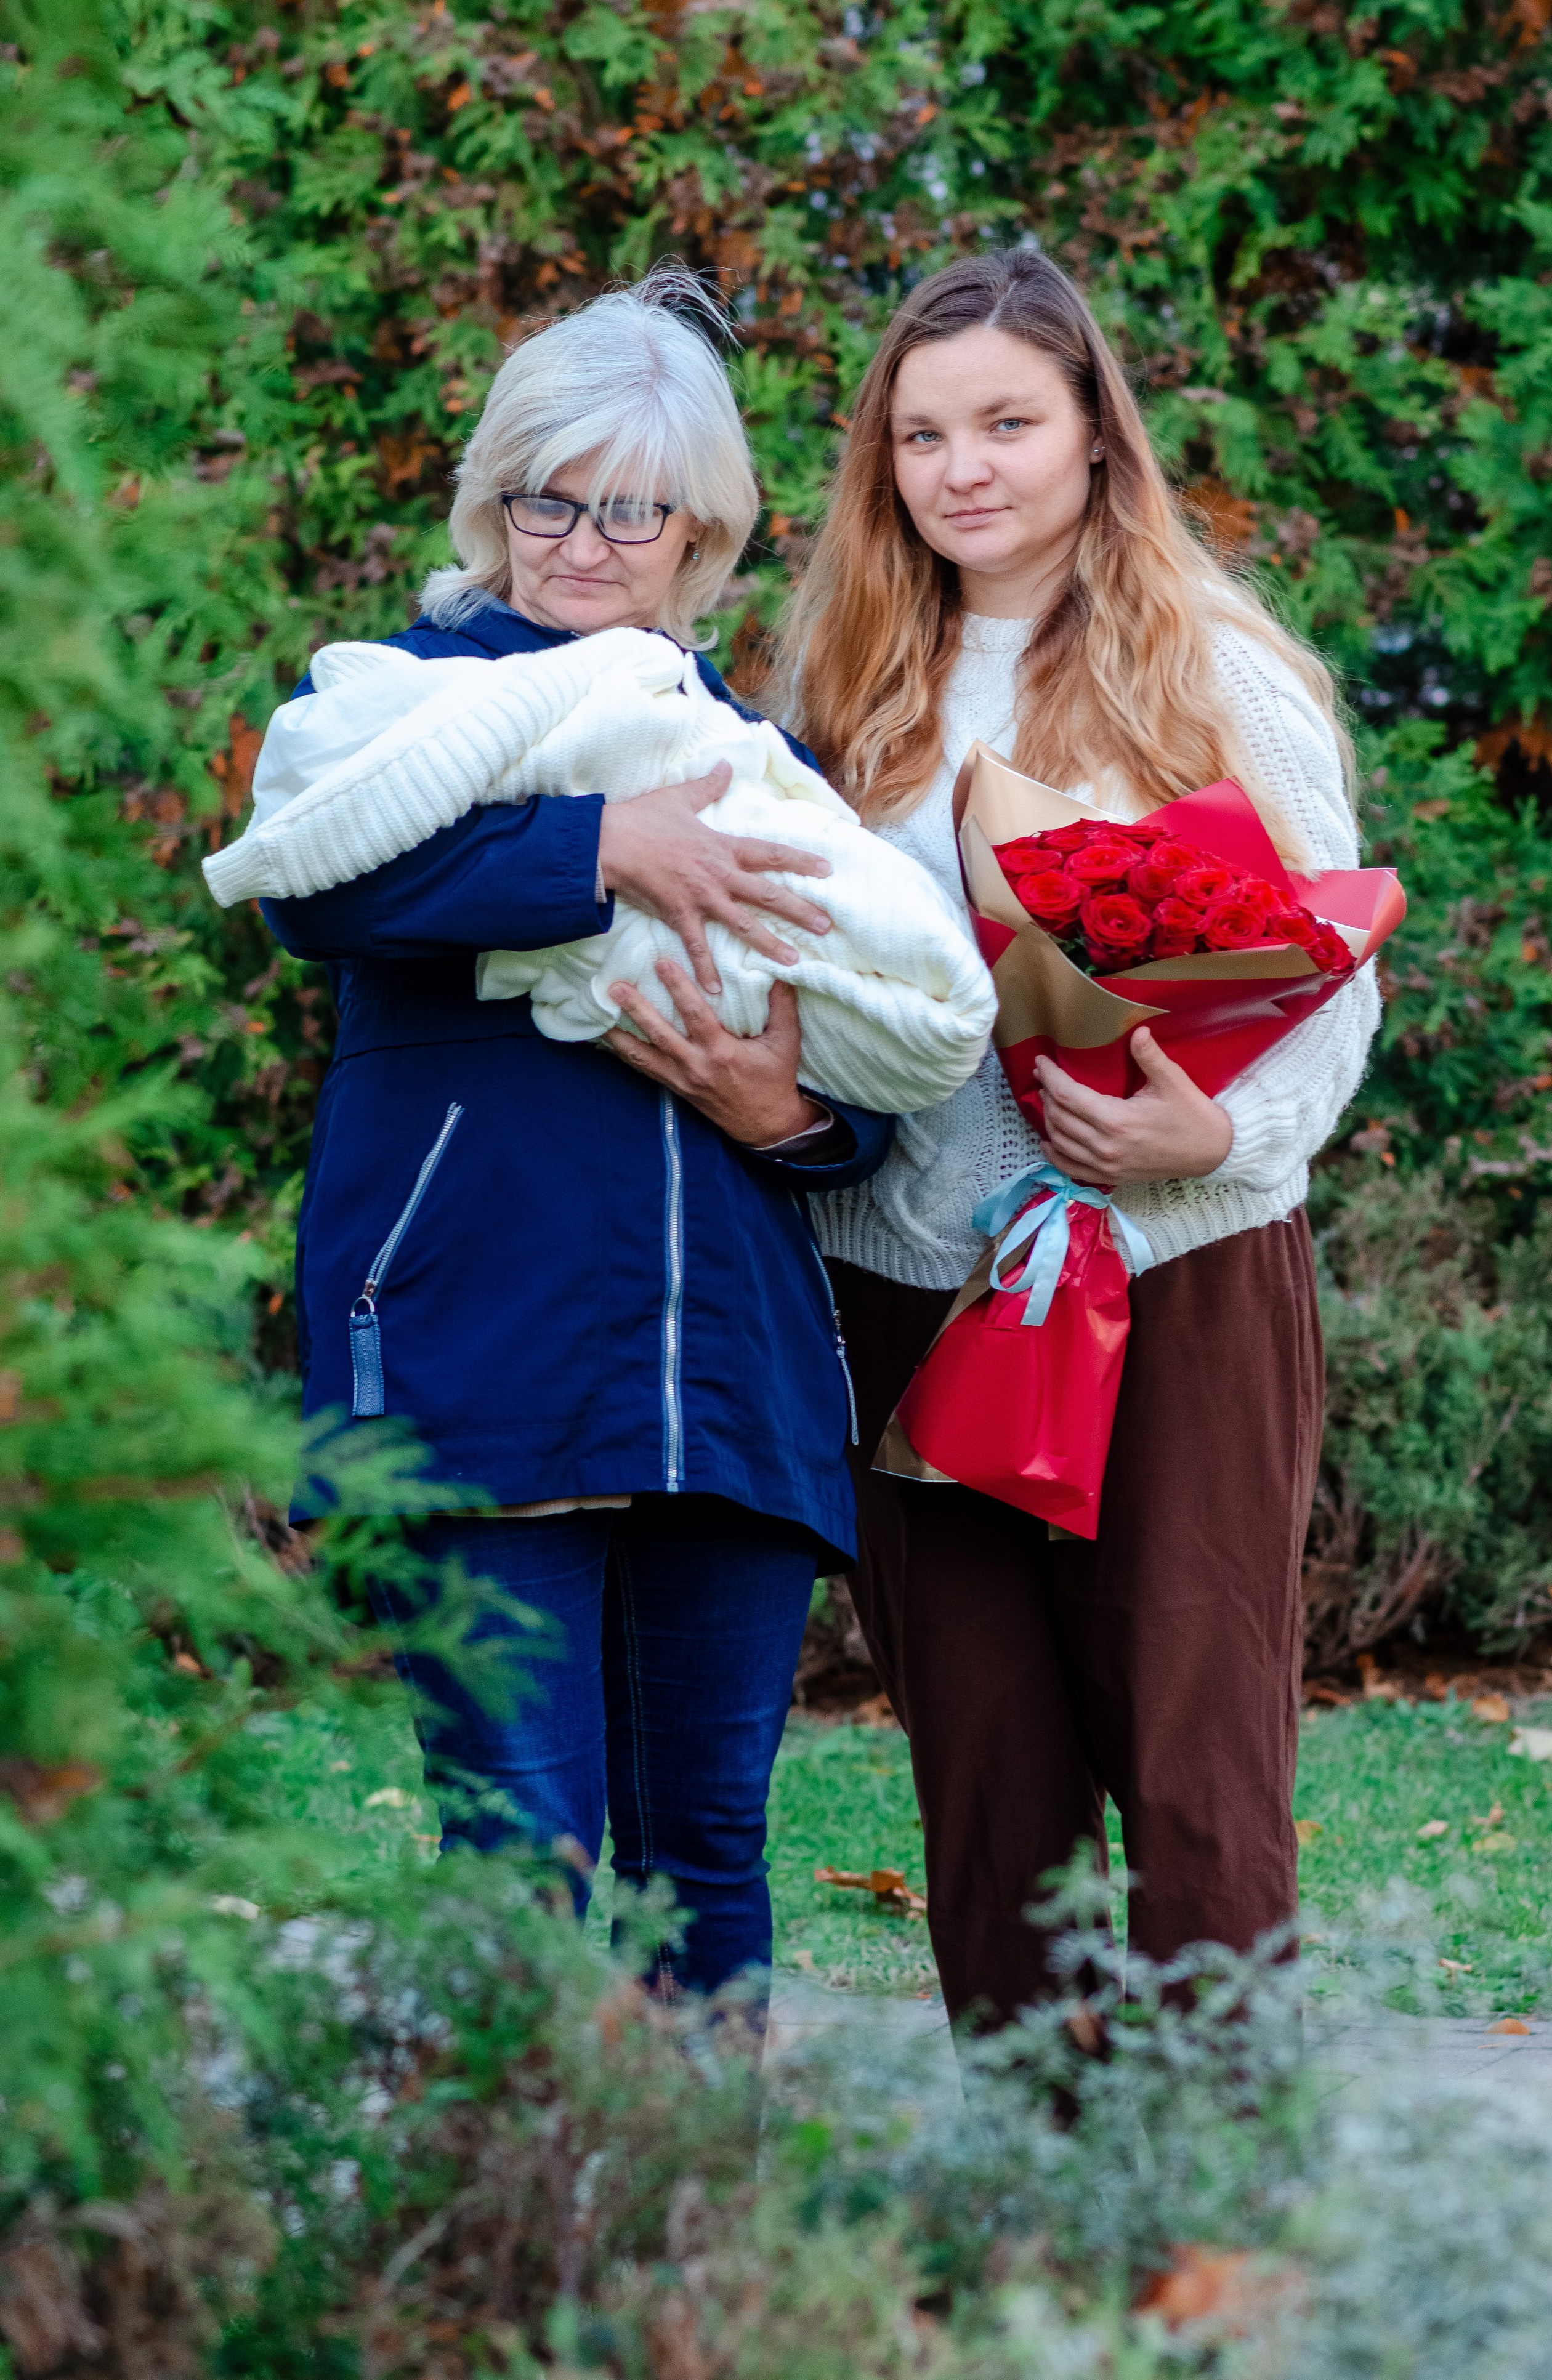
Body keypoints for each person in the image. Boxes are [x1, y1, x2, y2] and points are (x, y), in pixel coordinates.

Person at [259, 273, 894, 2005]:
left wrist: (804, 1117)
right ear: (495, 494)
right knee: (521, 1858)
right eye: (548, 492)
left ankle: (692, 2261)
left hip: (725, 1383)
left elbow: (884, 1034)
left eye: (631, 506)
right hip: (481, 1353)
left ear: (702, 533)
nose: (581, 540)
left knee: (705, 1857)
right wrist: (597, 845)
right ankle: (529, 2246)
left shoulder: (762, 759)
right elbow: (316, 889)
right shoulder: (392, 704)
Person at [778, 249, 1380, 2028]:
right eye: (923, 434)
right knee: (988, 1792)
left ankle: (1214, 2235)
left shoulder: (1222, 667)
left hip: (1172, 1276)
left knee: (1200, 1786)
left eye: (1008, 423)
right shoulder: (844, 683)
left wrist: (1223, 1124)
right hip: (909, 1285)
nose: (964, 467)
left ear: (1095, 432)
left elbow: (1331, 974)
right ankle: (1039, 2215)